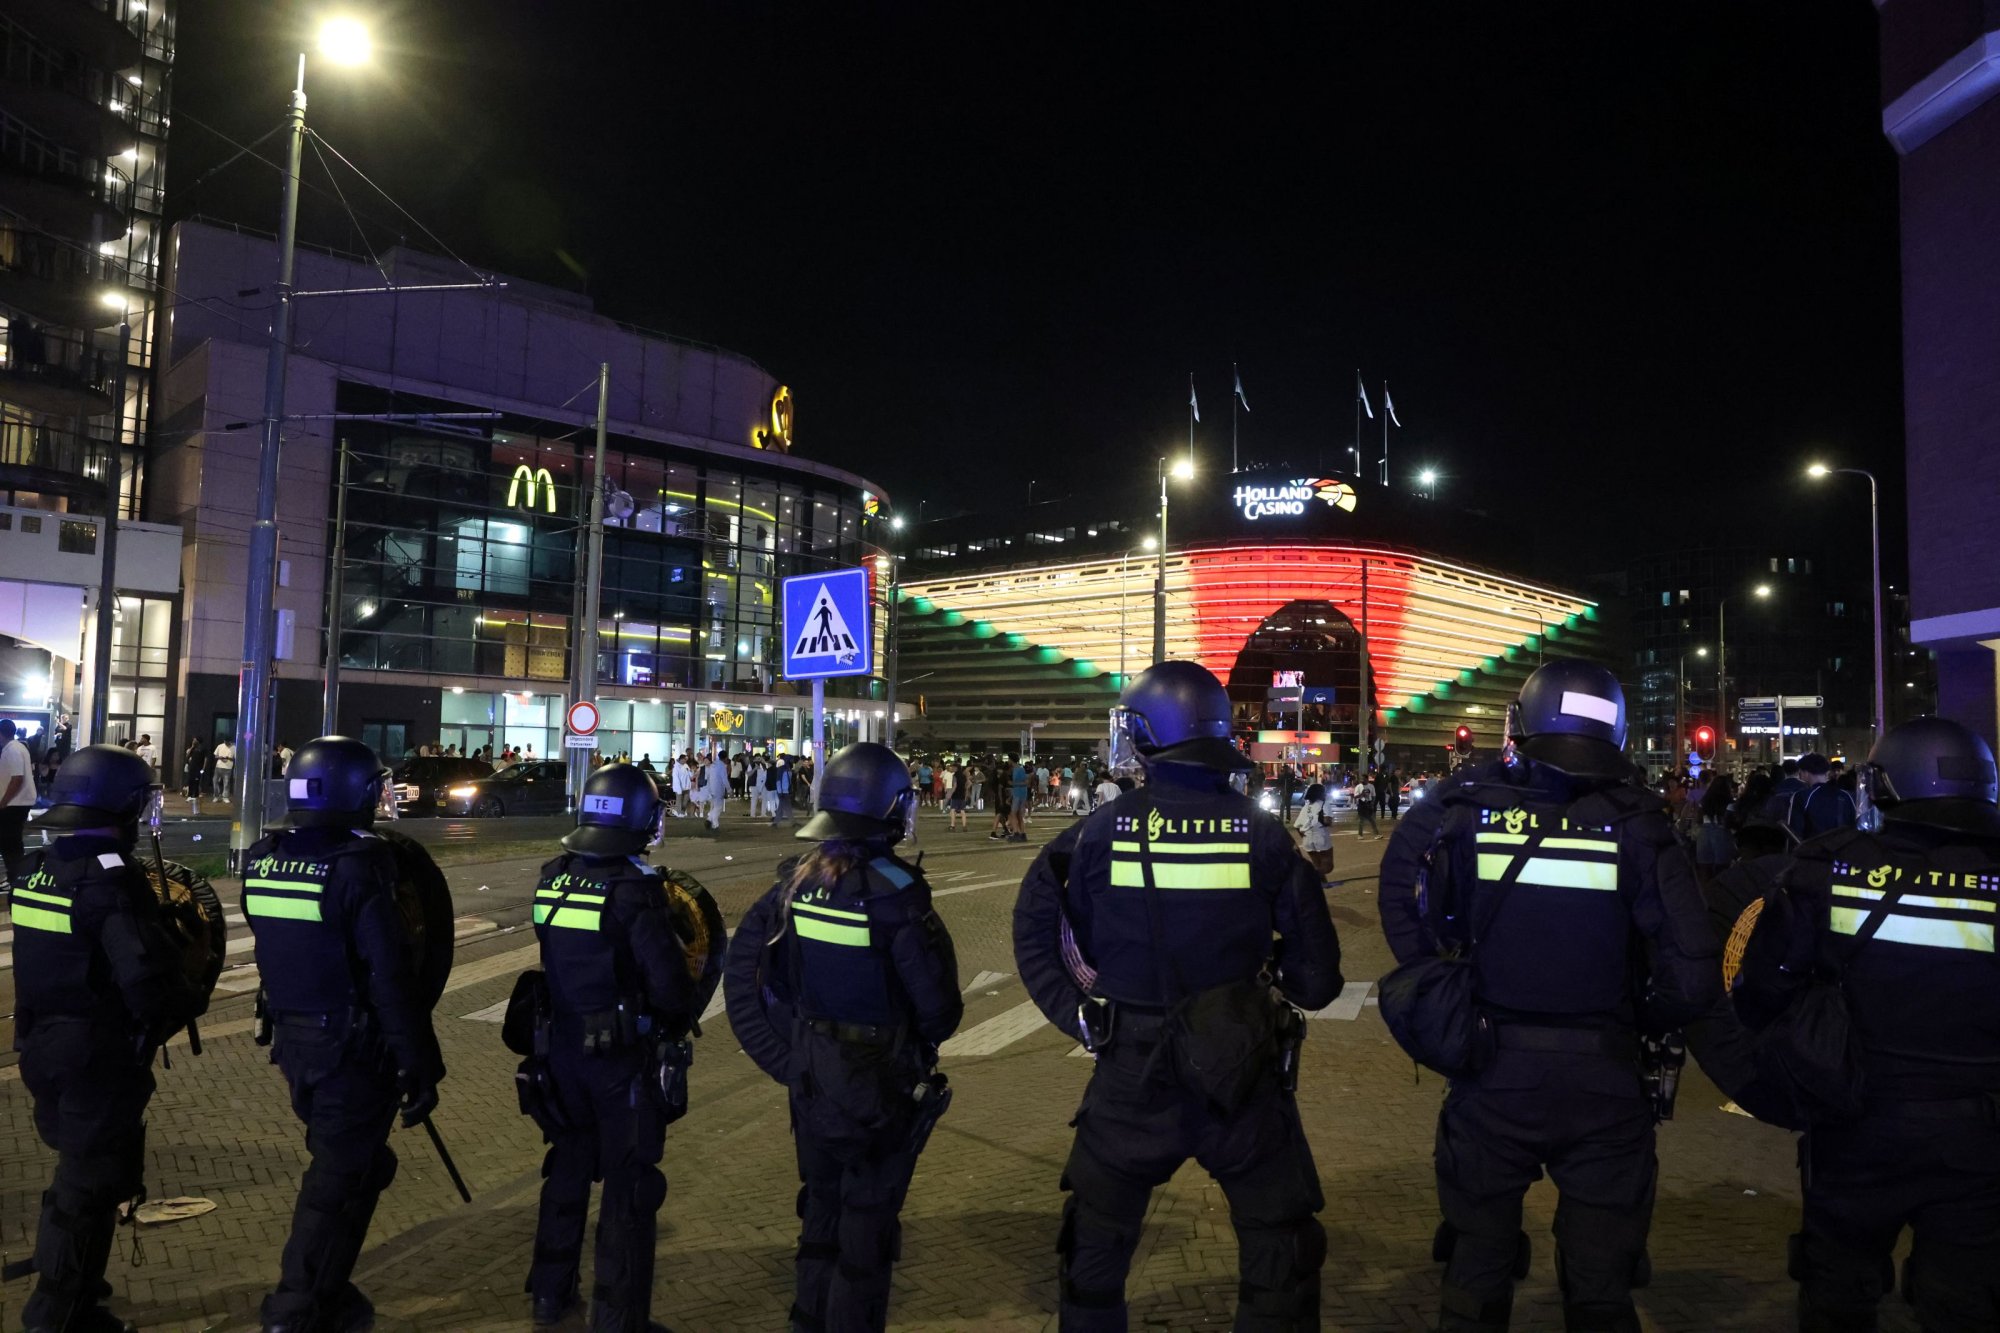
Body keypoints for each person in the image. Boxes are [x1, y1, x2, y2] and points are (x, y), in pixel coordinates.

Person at [1376, 660, 1719, 1332]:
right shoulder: (1641, 825)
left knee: (1476, 1264)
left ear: (1522, 721)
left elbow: (1402, 900)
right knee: (1601, 1284)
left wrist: (1444, 985)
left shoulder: (1465, 810)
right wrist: (1636, 1020)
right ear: (1617, 730)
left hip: (1490, 1069)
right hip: (1606, 1080)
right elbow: (1694, 976)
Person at [1013, 660, 1342, 1331]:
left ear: (1143, 735)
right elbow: (1319, 979)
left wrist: (1082, 1016)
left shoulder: (1095, 835)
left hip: (1130, 1071)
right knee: (1279, 1253)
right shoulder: (1265, 836)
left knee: (1093, 1256)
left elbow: (1042, 931)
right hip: (1242, 1072)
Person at [1732, 717, 2000, 1332]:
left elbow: (1766, 985)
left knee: (1839, 1290)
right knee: (1966, 1298)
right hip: (1980, 1129)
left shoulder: (1828, 866)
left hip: (1856, 1117)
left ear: (1883, 784)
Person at [725, 743, 961, 1332]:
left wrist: (788, 1057)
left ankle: (807, 1317)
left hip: (811, 1076)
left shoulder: (796, 883)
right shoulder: (897, 893)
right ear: (891, 809)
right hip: (879, 1082)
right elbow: (939, 1010)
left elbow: (755, 973)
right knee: (866, 1228)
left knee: (820, 1210)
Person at [243, 736, 444, 1333]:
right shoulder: (359, 867)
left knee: (361, 1165)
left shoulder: (263, 859)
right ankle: (296, 1306)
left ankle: (329, 1289)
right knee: (336, 1179)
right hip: (352, 1051)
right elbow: (389, 975)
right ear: (354, 791)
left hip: (295, 1044)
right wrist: (419, 1062)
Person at [14, 745, 206, 1333]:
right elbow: (144, 979)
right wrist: (187, 991)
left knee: (82, 1174)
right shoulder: (112, 879)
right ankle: (56, 1312)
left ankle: (79, 1291)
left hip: (43, 1044)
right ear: (123, 805)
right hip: (96, 1054)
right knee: (88, 1185)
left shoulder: (38, 866)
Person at [521, 763, 701, 1332]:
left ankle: (549, 1292)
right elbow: (668, 986)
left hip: (560, 1049)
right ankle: (618, 1317)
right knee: (630, 1184)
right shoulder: (634, 889)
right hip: (620, 1058)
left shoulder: (553, 876)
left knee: (568, 1166)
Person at [1783, 751, 1857, 842]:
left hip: (1812, 849)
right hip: (1843, 847)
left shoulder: (1801, 796)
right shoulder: (1846, 795)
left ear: (1805, 773)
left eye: (1800, 772)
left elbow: (1794, 833)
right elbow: (1854, 826)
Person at [0, 716, 38, 888]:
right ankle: (15, 877)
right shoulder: (17, 747)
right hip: (17, 803)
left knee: (10, 842)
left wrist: (3, 802)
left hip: (14, 803)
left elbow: (17, 779)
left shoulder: (12, 750)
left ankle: (15, 879)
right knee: (12, 842)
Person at [1293, 781, 1334, 881]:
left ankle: (1321, 883)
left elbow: (1297, 825)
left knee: (1317, 864)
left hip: (1307, 838)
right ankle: (1308, 876)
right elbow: (1327, 820)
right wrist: (1328, 822)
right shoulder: (1324, 804)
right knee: (1328, 866)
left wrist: (1304, 836)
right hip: (1320, 835)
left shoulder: (1306, 807)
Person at [182, 737, 207, 818]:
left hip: (198, 768)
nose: (193, 741)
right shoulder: (193, 748)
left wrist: (203, 768)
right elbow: (187, 755)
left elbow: (205, 758)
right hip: (191, 767)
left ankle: (195, 795)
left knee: (196, 782)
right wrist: (192, 747)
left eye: (195, 740)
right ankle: (190, 795)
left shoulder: (202, 748)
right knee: (190, 781)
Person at [1354, 772, 1380, 839]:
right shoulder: (1358, 786)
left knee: (1369, 820)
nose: (1362, 780)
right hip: (1361, 804)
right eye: (1361, 779)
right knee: (1364, 820)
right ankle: (1375, 834)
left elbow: (1373, 796)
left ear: (1367, 779)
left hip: (1369, 804)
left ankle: (1361, 835)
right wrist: (1361, 794)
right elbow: (1355, 796)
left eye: (1363, 779)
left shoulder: (1371, 786)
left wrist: (1372, 804)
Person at [211, 736, 236, 802]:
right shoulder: (220, 746)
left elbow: (235, 758)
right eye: (225, 741)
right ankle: (216, 796)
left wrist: (228, 758)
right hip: (218, 766)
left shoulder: (234, 748)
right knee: (215, 781)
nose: (226, 743)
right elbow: (215, 755)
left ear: (230, 741)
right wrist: (220, 757)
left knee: (226, 782)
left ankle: (225, 797)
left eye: (227, 742)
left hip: (228, 767)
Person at [947, 761, 969, 831]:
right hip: (962, 794)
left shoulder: (954, 776)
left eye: (953, 767)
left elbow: (954, 786)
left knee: (953, 810)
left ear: (956, 768)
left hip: (956, 794)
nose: (952, 768)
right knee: (962, 811)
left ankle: (952, 825)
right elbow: (969, 783)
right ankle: (964, 826)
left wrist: (950, 794)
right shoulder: (963, 776)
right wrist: (966, 791)